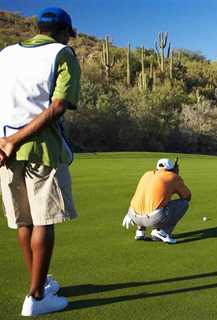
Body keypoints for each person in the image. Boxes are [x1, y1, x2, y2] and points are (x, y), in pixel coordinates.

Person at [0, 7, 80, 317]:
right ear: (63, 32)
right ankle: (36, 297)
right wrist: (16, 140)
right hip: (41, 149)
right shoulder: (62, 53)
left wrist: (5, 141)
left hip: (4, 150)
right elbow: (59, 106)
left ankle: (41, 283)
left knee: (24, 221)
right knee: (43, 220)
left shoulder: (5, 53)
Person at [122, 158, 192, 244]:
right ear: (172, 169)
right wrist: (176, 177)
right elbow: (187, 196)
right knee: (183, 204)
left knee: (148, 200)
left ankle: (140, 231)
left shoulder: (147, 174)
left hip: (133, 215)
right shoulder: (173, 177)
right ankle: (162, 232)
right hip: (153, 218)